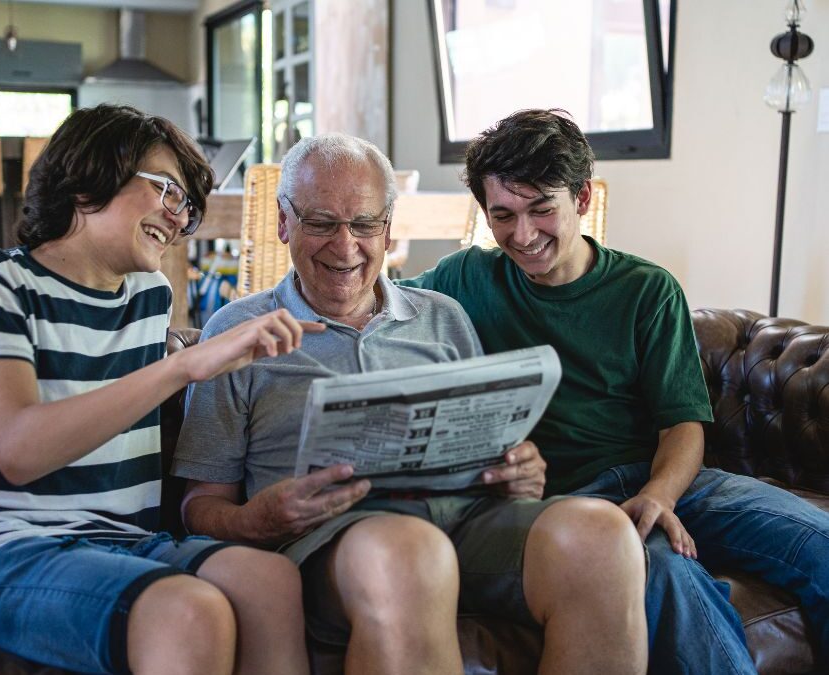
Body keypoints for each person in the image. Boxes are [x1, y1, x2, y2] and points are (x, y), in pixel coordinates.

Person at [173, 132, 649, 675]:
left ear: (388, 228)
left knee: (602, 536)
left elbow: (489, 451)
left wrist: (518, 472)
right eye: (322, 223)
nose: (345, 246)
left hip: (466, 525)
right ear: (285, 223)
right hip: (333, 547)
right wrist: (260, 519)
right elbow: (198, 507)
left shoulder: (442, 316)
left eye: (365, 224)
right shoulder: (237, 332)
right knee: (408, 551)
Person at [399, 108, 829, 674]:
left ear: (580, 199)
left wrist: (660, 494)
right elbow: (371, 304)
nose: (522, 236)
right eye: (502, 216)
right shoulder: (464, 279)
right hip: (573, 506)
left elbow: (683, 425)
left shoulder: (646, 290)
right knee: (671, 580)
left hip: (670, 478)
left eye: (541, 210)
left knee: (819, 540)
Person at [0, 104, 322, 675]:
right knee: (188, 610)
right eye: (166, 190)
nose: (178, 218)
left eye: (185, 205)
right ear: (88, 182)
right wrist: (182, 368)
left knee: (270, 580)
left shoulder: (148, 296)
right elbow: (18, 451)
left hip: (124, 544)